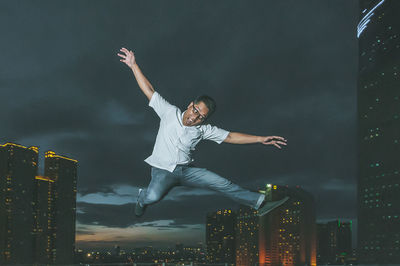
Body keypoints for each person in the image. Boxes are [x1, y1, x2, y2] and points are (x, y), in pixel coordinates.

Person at [117, 47, 289, 217]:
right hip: (162, 170)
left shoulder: (204, 130)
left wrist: (260, 139)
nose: (195, 118)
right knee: (153, 196)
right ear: (190, 105)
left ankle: (260, 204)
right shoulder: (169, 112)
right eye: (196, 111)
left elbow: (230, 136)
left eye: (201, 117)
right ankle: (142, 199)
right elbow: (149, 90)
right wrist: (133, 65)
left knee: (223, 183)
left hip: (187, 171)